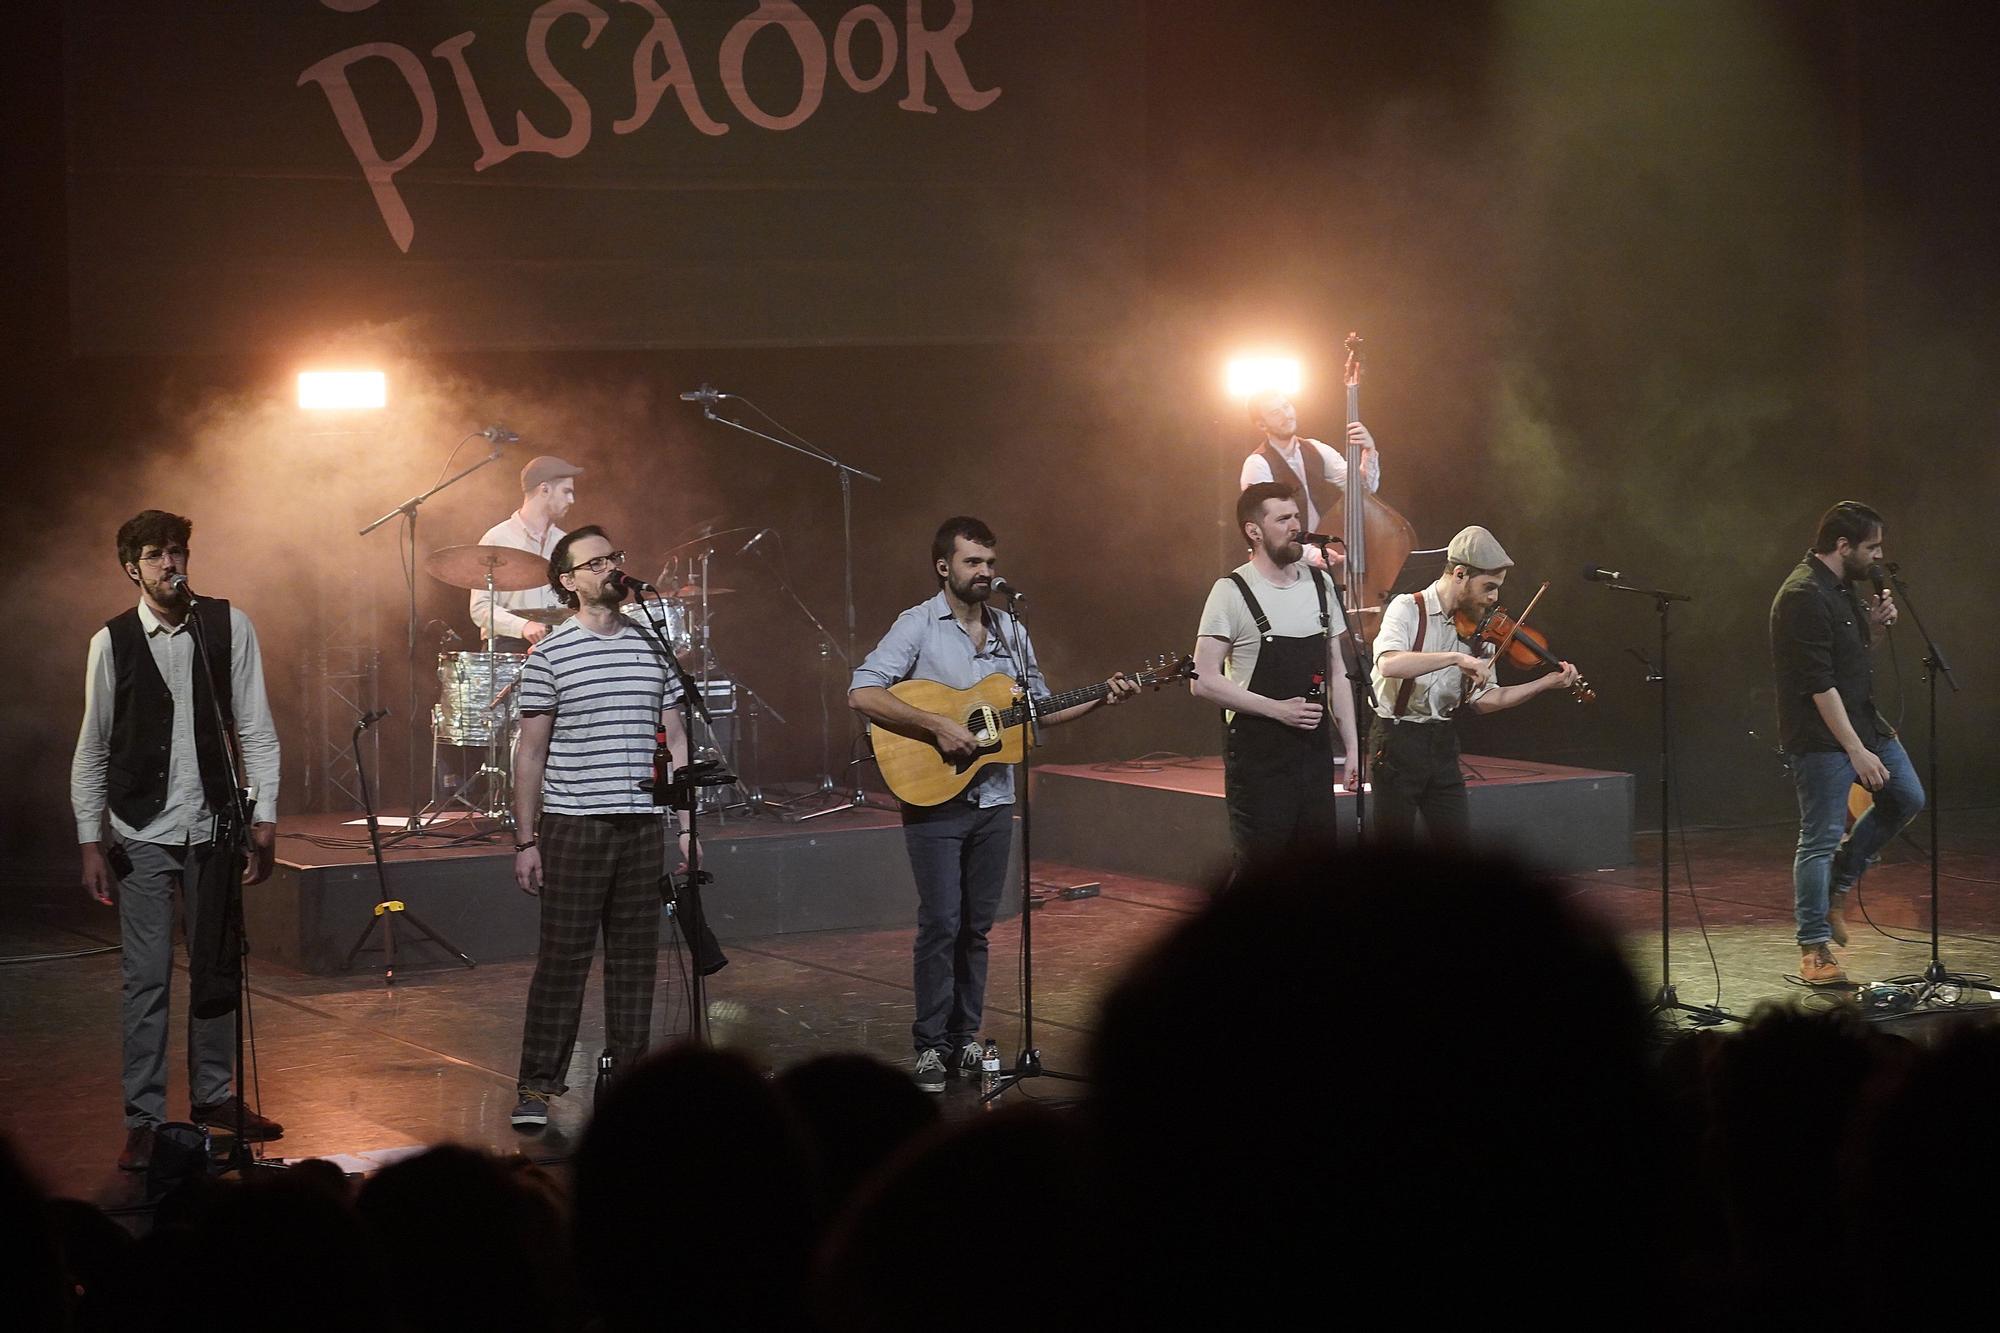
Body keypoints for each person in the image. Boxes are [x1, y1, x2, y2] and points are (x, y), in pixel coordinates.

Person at [848, 516, 1139, 1092]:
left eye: (990, 562)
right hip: (934, 797)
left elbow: (1041, 709)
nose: (986, 573)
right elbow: (862, 690)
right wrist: (937, 725)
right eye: (972, 563)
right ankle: (929, 1044)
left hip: (995, 797)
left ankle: (962, 1039)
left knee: (977, 928)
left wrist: (1103, 697)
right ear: (944, 567)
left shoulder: (1011, 631)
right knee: (941, 923)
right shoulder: (917, 626)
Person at [71, 510, 284, 1171]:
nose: (173, 563)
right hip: (142, 829)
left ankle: (215, 1095)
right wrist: (89, 839)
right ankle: (143, 1116)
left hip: (213, 824)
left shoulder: (223, 624)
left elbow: (254, 725)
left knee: (217, 965)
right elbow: (93, 746)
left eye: (179, 551)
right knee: (147, 979)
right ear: (132, 565)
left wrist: (265, 812)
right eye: (158, 554)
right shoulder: (111, 641)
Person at [509, 526, 690, 1130]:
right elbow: (530, 753)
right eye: (598, 561)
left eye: (617, 555)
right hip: (574, 826)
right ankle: (536, 1085)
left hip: (641, 825)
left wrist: (686, 820)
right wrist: (526, 839)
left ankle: (630, 1087)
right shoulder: (552, 655)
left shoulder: (651, 646)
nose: (613, 566)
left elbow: (677, 740)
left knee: (636, 963)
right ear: (569, 581)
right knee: (562, 961)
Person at [1769, 501, 1923, 986]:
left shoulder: (1840, 590)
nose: (1877, 558)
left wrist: (1874, 627)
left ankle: (1839, 882)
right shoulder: (1802, 595)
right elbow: (1819, 685)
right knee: (1818, 837)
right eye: (1872, 547)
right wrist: (1856, 750)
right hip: (1822, 736)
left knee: (1906, 797)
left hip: (1863, 720)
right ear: (1843, 546)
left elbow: (1850, 659)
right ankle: (1813, 950)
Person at [1367, 525, 1580, 843]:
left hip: (1442, 744)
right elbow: (1389, 663)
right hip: (1397, 740)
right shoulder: (1408, 608)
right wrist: (1455, 657)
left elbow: (1484, 699)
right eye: (1489, 587)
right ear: (1460, 574)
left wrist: (1544, 683)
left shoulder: (1482, 628)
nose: (1494, 598)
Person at [1192, 482, 1359, 870]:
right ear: (1254, 530)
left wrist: (1351, 750)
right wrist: (1277, 710)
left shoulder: (1321, 584)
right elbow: (1201, 680)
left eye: (1297, 516)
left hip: (1313, 756)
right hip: (1257, 757)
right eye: (1283, 518)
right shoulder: (1230, 591)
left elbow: (1339, 673)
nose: (1296, 525)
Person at [1238, 389, 1381, 571]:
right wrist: (1312, 554)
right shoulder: (1257, 464)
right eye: (1275, 413)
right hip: (1284, 565)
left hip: (1321, 559)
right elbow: (1265, 528)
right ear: (1261, 425)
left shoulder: (1316, 449)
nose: (1286, 415)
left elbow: (1362, 491)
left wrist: (1369, 451)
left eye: (1286, 406)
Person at [472, 455, 583, 649]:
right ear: (545, 489)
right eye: (566, 492)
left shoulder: (564, 543)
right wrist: (523, 626)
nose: (572, 500)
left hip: (556, 648)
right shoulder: (497, 539)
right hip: (509, 647)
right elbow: (480, 608)